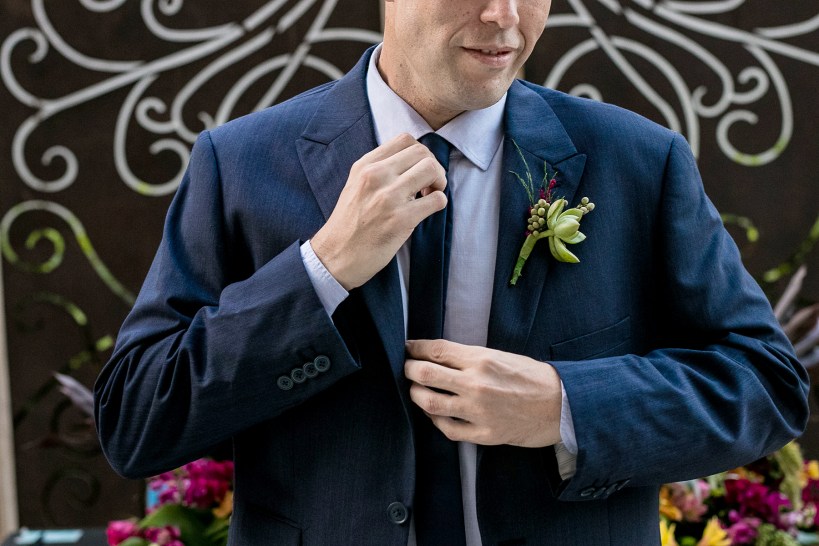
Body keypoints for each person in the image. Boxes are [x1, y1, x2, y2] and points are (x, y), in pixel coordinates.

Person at [94, 0, 809, 544]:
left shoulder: (639, 162)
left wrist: (565, 407)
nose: (504, 17)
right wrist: (322, 269)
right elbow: (137, 421)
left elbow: (766, 383)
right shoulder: (238, 164)